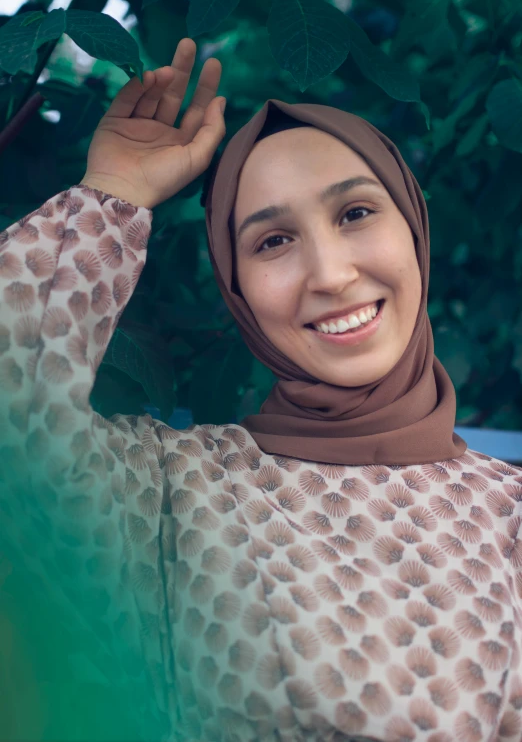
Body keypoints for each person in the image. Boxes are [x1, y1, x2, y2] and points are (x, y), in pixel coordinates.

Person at [0, 36, 521, 742]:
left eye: (357, 213)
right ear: (236, 290)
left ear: (414, 228)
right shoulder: (171, 493)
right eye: (272, 241)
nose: (331, 274)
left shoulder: (508, 513)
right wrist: (113, 192)